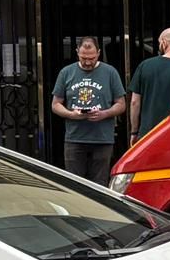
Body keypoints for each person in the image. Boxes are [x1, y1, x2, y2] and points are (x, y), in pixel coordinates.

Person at [51, 36, 126, 185]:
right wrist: (71, 114)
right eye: (83, 57)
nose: (87, 62)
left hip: (102, 138)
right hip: (75, 138)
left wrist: (105, 113)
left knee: (100, 182)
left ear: (98, 53)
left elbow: (121, 104)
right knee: (74, 183)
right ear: (77, 51)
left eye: (91, 58)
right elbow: (55, 104)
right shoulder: (66, 72)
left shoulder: (110, 72)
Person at [128, 27, 170, 140]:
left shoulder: (144, 66)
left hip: (148, 134)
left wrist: (134, 132)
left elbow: (135, 102)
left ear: (164, 43)